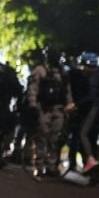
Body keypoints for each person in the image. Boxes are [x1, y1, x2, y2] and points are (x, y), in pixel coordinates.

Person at [24, 47, 73, 177]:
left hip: (58, 108)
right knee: (42, 136)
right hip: (43, 107)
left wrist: (69, 104)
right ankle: (39, 165)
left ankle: (51, 165)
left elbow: (67, 91)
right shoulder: (41, 70)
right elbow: (33, 88)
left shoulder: (63, 73)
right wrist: (33, 105)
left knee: (55, 138)